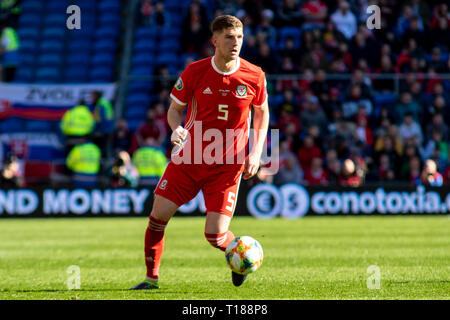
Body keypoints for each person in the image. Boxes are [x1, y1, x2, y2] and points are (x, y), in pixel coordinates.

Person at [131, 15, 269, 290]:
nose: (236, 43)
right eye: (230, 37)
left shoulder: (254, 75)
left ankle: (241, 256)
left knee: (215, 236)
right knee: (157, 219)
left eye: (240, 37)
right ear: (214, 40)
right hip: (189, 159)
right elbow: (174, 110)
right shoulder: (195, 71)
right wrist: (175, 129)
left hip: (227, 167)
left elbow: (262, 112)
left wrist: (255, 153)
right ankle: (151, 279)